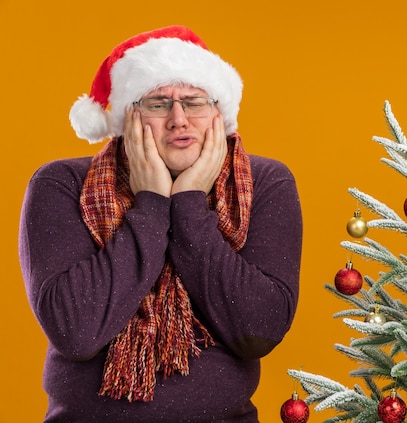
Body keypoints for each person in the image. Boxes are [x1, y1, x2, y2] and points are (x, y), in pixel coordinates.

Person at [18, 25, 303, 422]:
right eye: (157, 103)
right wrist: (151, 205)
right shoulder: (61, 184)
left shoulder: (265, 182)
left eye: (194, 101)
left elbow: (258, 329)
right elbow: (76, 332)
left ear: (219, 113)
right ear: (127, 117)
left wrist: (187, 207)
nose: (178, 120)